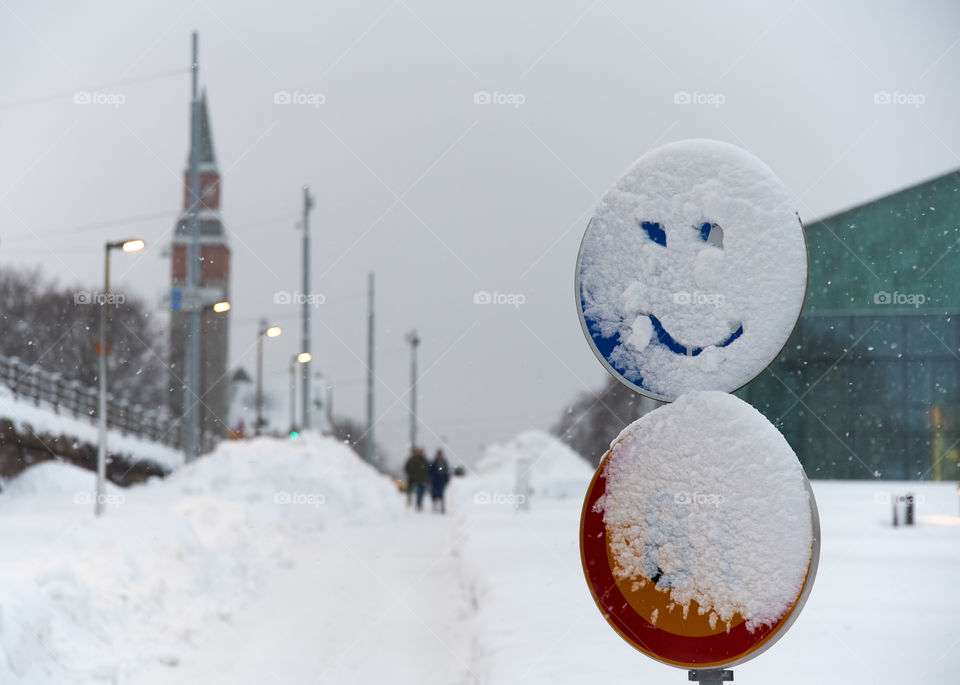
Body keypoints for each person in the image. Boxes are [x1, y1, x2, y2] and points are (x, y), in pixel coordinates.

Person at [429, 448, 450, 513]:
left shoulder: (444, 462)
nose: (439, 456)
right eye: (438, 454)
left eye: (440, 454)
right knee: (434, 494)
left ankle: (442, 507)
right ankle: (434, 505)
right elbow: (430, 471)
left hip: (442, 480)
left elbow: (446, 471)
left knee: (441, 494)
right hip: (435, 480)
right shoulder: (434, 462)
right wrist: (432, 477)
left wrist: (446, 479)